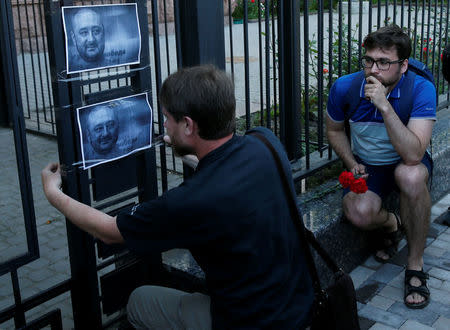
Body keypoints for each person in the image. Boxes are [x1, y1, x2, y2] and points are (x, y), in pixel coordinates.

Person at [42, 65, 314, 329]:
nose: (163, 125)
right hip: (299, 305)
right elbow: (225, 170)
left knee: (140, 301)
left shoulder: (191, 202)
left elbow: (108, 231)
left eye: (167, 118)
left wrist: (53, 192)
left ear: (188, 125)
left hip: (247, 321)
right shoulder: (264, 142)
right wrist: (188, 150)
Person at [326, 25, 436, 309]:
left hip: (405, 160)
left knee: (410, 175)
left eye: (384, 62)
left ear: (404, 65)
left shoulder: (421, 88)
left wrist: (385, 106)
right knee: (358, 212)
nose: (374, 69)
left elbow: (413, 154)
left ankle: (414, 265)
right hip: (369, 166)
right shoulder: (345, 87)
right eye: (369, 60)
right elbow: (334, 130)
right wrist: (352, 162)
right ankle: (394, 223)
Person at [68, 8, 130, 72]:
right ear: (73, 38)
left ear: (103, 33)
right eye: (84, 33)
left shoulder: (118, 67)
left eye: (96, 31)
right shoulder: (70, 68)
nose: (91, 39)